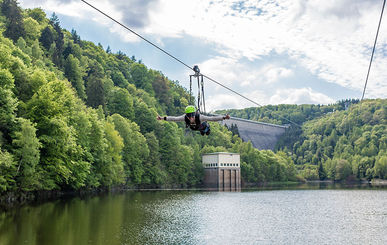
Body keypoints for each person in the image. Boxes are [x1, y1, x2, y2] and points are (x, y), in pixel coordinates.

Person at [157, 105, 230, 136]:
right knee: (195, 128)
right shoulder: (185, 118)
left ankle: (206, 130)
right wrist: (162, 118)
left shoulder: (200, 117)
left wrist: (224, 117)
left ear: (195, 114)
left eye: (192, 115)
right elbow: (174, 119)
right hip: (195, 128)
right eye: (189, 116)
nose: (191, 118)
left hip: (202, 126)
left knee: (205, 131)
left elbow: (212, 119)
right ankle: (202, 131)